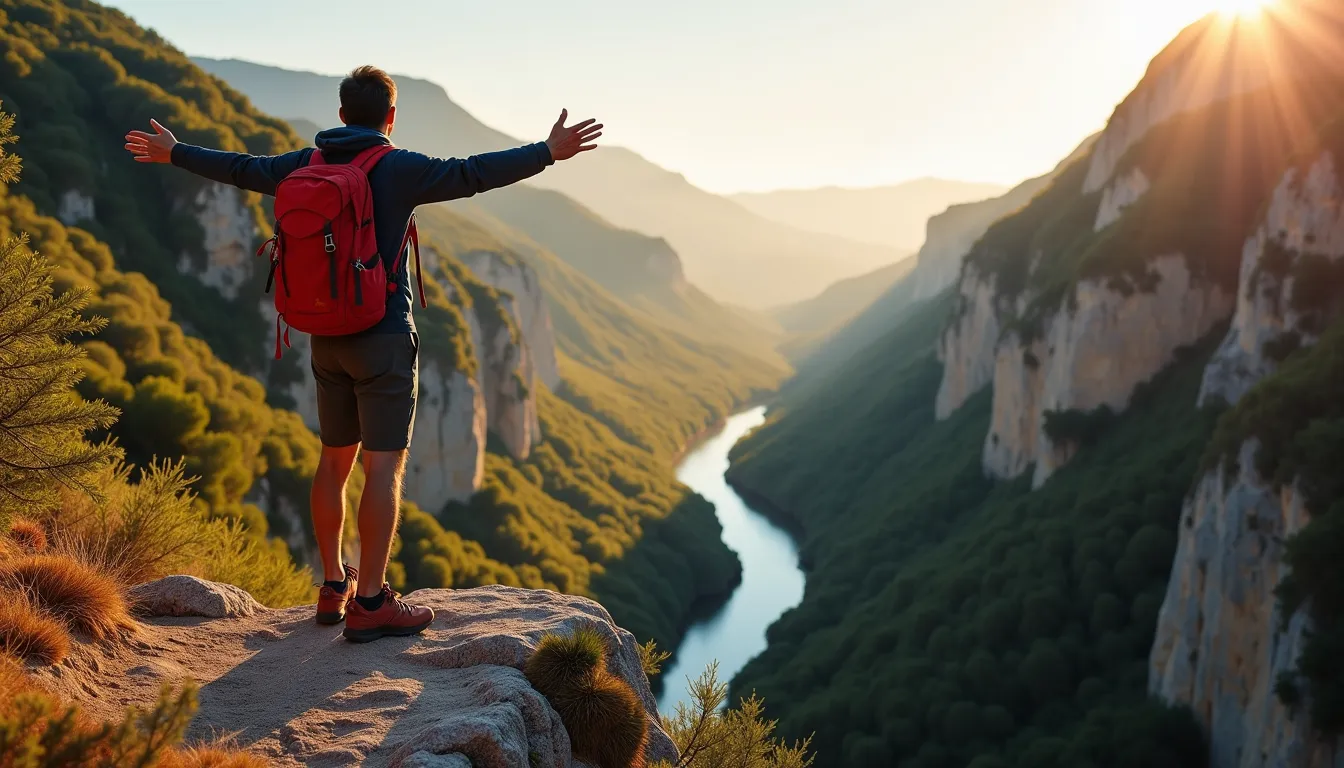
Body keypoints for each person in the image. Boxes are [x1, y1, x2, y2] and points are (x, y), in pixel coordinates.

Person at [124, 65, 601, 642]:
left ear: (342, 114)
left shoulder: (304, 165)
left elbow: (240, 168)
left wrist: (176, 153)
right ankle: (372, 600)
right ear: (390, 118)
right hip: (383, 337)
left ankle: (332, 587)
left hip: (324, 337)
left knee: (333, 462)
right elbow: (473, 174)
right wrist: (547, 152)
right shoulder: (399, 167)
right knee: (384, 468)